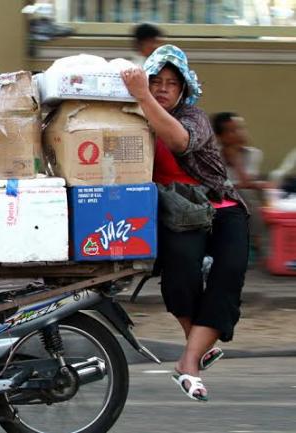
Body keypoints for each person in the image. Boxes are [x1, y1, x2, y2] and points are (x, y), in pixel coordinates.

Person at [121, 45, 249, 402]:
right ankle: (197, 350)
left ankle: (189, 361)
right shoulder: (133, 120)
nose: (162, 88)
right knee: (179, 272)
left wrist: (143, 96)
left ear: (182, 91)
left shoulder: (194, 118)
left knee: (230, 272)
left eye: (171, 84)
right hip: (177, 214)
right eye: (155, 81)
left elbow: (178, 141)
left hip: (220, 207)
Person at [212, 112, 269, 260]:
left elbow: (245, 181)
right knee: (244, 194)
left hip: (237, 196)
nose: (240, 133)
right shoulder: (213, 154)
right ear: (220, 136)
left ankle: (254, 243)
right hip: (216, 197)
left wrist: (235, 157)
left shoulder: (253, 154)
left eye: (241, 128)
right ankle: (248, 244)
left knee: (251, 194)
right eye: (232, 130)